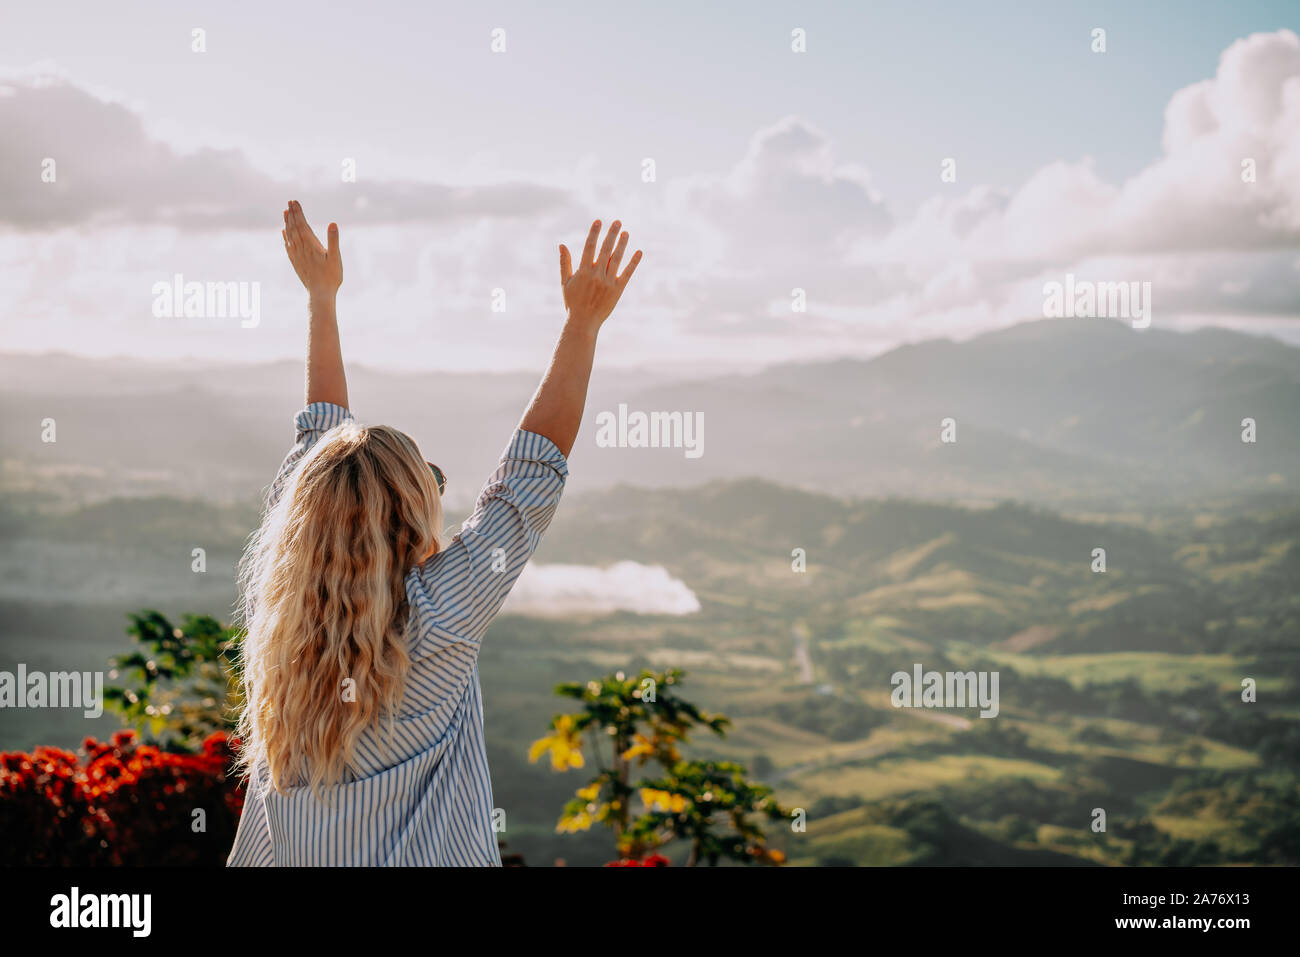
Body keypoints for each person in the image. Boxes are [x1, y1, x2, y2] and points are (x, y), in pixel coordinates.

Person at [226, 200, 641, 865]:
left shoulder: (279, 618)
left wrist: (322, 300)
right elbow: (528, 476)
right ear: (413, 513)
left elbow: (319, 440)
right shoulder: (438, 618)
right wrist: (583, 324)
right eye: (433, 481)